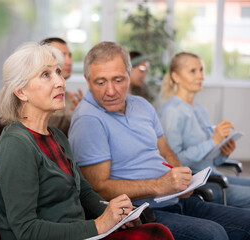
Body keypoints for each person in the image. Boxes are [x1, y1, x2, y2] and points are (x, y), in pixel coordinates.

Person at [0, 42, 174, 240]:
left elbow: (84, 193)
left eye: (58, 72)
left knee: (158, 232)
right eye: (46, 75)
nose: (60, 81)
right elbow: (26, 231)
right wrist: (98, 225)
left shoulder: (56, 136)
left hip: (81, 233)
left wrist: (114, 212)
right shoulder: (16, 145)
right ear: (21, 92)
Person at [68, 41, 250, 240]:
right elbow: (98, 188)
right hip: (141, 213)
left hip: (174, 199)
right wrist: (159, 185)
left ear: (130, 76)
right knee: (213, 234)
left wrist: (183, 182)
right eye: (100, 82)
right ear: (87, 80)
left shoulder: (142, 105)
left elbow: (166, 152)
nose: (110, 91)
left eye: (118, 80)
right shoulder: (88, 119)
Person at [158, 52, 250, 208]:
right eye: (193, 71)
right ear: (176, 77)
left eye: (201, 70)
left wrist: (223, 151)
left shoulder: (201, 110)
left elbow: (210, 160)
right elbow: (174, 162)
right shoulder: (171, 112)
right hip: (194, 182)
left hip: (212, 174)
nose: (201, 76)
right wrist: (213, 141)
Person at [40, 37, 83, 136]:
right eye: (62, 56)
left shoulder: (71, 99)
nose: (70, 62)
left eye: (69, 56)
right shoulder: (37, 97)